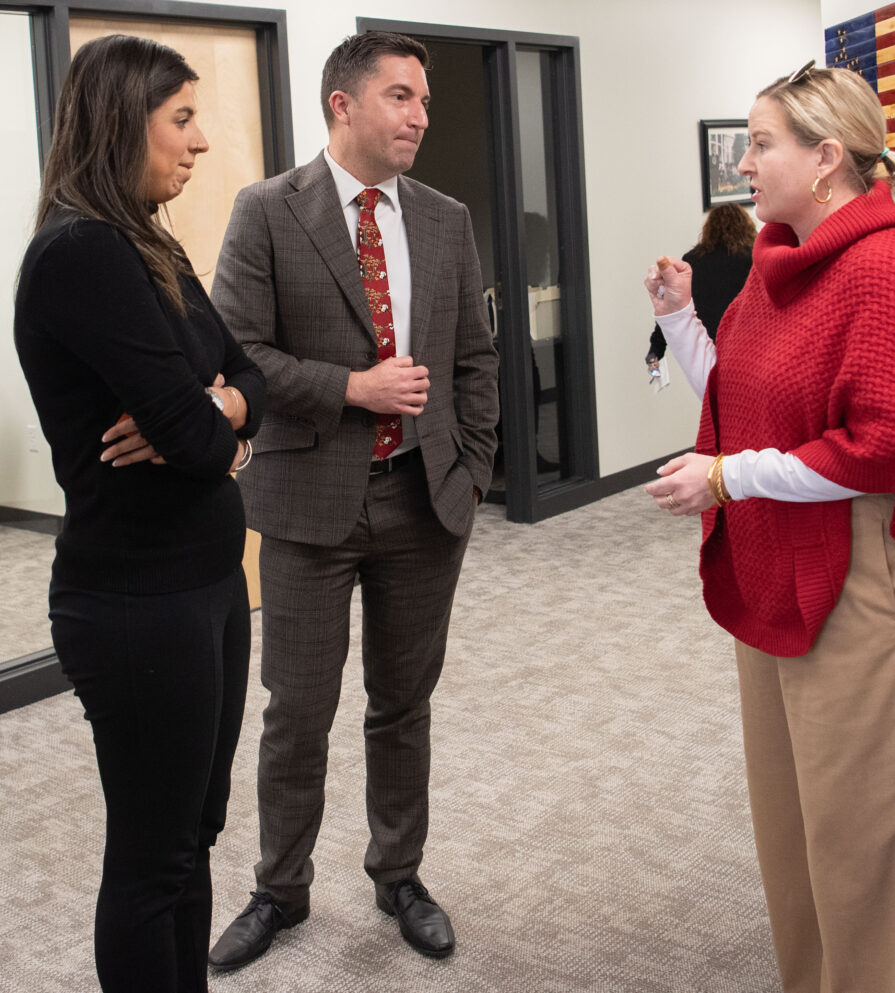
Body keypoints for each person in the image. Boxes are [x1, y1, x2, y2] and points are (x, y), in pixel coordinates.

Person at [642, 62, 895, 993]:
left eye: (762, 144)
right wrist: (684, 323)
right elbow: (747, 397)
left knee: (864, 851)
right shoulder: (776, 266)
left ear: (827, 158)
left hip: (865, 585)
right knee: (798, 834)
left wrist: (729, 477)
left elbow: (884, 445)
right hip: (782, 572)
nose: (746, 163)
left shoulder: (889, 267)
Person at [207, 30, 499, 970]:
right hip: (304, 504)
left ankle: (398, 875)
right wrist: (350, 388)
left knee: (402, 703)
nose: (421, 115)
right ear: (343, 103)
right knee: (296, 709)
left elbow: (474, 357)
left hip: (426, 501)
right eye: (402, 97)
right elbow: (237, 351)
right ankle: (278, 889)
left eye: (423, 101)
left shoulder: (446, 217)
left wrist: (474, 465)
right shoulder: (266, 210)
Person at [13, 34, 265, 993]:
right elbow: (198, 439)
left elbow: (245, 379)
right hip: (134, 602)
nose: (199, 142)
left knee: (195, 834)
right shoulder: (81, 253)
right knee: (154, 854)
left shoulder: (148, 243)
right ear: (125, 122)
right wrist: (213, 424)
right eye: (182, 120)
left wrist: (224, 412)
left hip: (207, 582)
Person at [645, 202, 756, 374]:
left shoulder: (692, 261)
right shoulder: (754, 258)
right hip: (749, 350)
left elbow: (674, 306)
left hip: (707, 350)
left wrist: (655, 350)